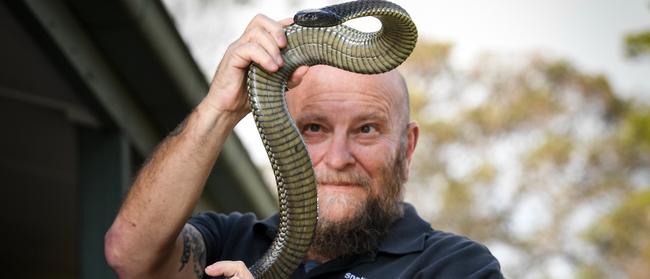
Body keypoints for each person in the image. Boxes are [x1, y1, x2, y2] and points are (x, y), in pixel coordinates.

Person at [104, 14, 503, 279]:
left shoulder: (457, 266)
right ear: (280, 134)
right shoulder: (231, 240)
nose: (338, 158)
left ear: (407, 147)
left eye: (366, 129)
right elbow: (130, 256)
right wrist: (220, 108)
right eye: (313, 128)